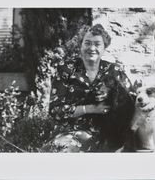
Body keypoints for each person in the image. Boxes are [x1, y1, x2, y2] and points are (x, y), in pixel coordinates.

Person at [41, 24, 135, 152]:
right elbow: (55, 110)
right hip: (74, 132)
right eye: (87, 43)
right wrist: (90, 109)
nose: (92, 48)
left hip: (112, 133)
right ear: (81, 45)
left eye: (97, 44)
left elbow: (131, 101)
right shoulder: (67, 69)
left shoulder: (114, 70)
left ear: (104, 48)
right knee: (57, 150)